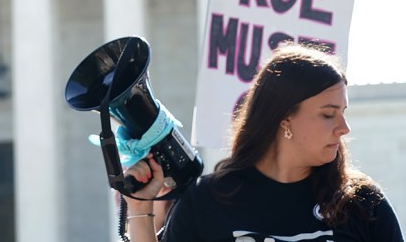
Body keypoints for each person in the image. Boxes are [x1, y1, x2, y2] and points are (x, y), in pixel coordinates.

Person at [123, 43, 404, 241]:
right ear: (284, 118)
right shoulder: (207, 199)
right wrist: (139, 208)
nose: (344, 128)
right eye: (328, 114)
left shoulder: (363, 202)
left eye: (343, 113)